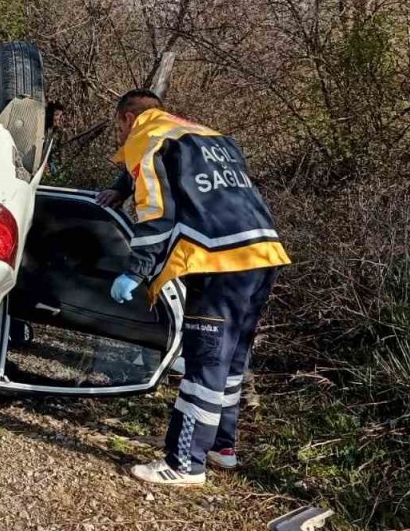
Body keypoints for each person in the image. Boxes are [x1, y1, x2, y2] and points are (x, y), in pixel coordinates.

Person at [102, 90, 290, 486]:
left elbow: (156, 213)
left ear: (128, 116)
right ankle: (222, 446)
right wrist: (122, 186)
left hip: (220, 259)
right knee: (232, 359)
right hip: (263, 251)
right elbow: (175, 174)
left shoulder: (146, 137)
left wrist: (136, 271)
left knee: (204, 362)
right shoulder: (204, 135)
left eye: (119, 126)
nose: (120, 136)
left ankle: (185, 462)